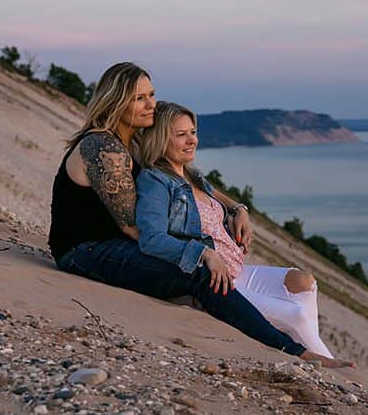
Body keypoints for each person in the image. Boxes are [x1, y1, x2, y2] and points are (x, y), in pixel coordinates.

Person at [47, 62, 350, 367]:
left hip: (118, 246)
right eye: (139, 98)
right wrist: (200, 252)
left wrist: (235, 208)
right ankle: (293, 351)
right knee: (197, 274)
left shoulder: (135, 143)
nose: (151, 104)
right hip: (86, 250)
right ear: (116, 101)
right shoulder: (103, 146)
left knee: (229, 274)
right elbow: (134, 228)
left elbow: (189, 183)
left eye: (151, 94)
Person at [135, 101, 340, 360]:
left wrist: (239, 209)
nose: (192, 141)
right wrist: (203, 254)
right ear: (160, 139)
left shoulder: (191, 175)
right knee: (295, 315)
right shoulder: (155, 181)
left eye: (193, 132)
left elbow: (222, 202)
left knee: (304, 282)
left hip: (238, 270)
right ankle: (335, 370)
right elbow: (151, 239)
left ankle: (311, 351)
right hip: (215, 281)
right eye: (181, 135)